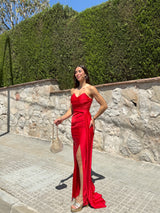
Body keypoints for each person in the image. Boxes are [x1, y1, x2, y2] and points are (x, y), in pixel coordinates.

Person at [54, 65, 108, 212]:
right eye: (75, 72)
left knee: (81, 159)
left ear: (85, 74)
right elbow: (72, 109)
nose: (77, 73)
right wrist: (62, 119)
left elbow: (104, 105)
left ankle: (82, 197)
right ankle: (81, 191)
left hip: (85, 125)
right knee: (78, 160)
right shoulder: (73, 90)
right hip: (75, 126)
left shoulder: (91, 89)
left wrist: (94, 118)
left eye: (79, 71)